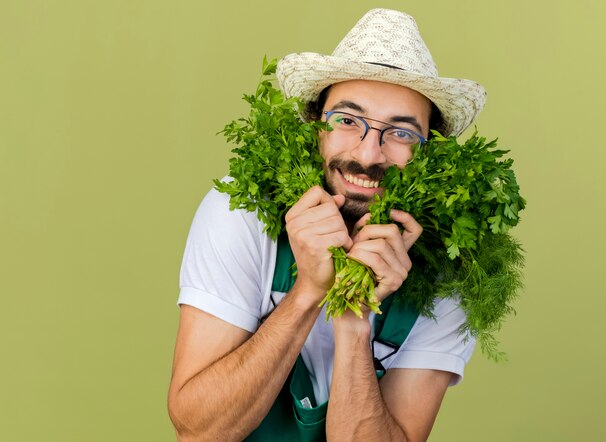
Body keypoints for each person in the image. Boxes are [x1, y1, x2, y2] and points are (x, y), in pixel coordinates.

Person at [168, 8, 487, 441]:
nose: (369, 155)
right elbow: (198, 431)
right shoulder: (241, 209)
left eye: (401, 133)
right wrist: (307, 294)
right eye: (347, 120)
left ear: (430, 155)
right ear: (315, 126)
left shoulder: (453, 268)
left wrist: (354, 322)